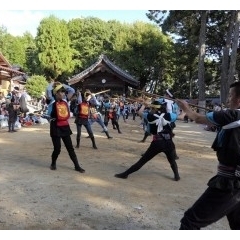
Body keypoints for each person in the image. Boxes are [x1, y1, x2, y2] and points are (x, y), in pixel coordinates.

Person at [176, 81, 240, 230]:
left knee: (190, 221)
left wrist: (185, 108)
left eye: (231, 96)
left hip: (230, 183)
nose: (228, 100)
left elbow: (197, 118)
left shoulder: (232, 115)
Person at [114, 99, 184, 181]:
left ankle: (125, 174)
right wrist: (186, 109)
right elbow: (182, 117)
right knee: (172, 161)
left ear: (154, 109)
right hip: (169, 142)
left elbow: (139, 112)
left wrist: (144, 105)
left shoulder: (150, 116)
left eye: (151, 108)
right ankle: (177, 176)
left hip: (157, 143)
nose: (150, 110)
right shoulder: (168, 115)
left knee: (142, 161)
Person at [47, 81, 85, 173]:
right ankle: (53, 163)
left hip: (65, 126)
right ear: (56, 93)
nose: (63, 94)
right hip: (55, 126)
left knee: (70, 147)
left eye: (64, 92)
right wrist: (53, 83)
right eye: (61, 92)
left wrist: (61, 85)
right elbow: (48, 89)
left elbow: (71, 90)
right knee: (57, 148)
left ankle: (77, 166)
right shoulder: (51, 100)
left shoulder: (65, 100)